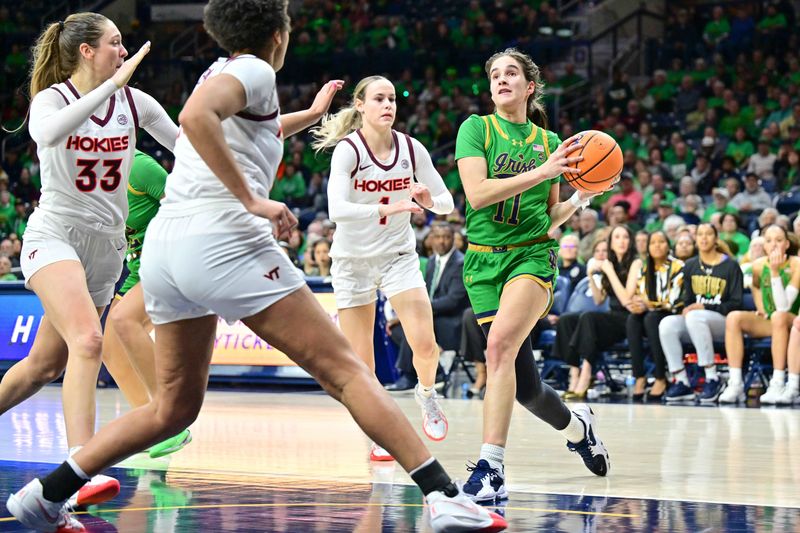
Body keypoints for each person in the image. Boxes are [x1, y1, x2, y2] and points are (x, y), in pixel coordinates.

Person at [7, 2, 507, 533]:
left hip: (166, 250)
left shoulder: (219, 72)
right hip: (219, 239)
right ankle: (445, 496)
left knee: (173, 410)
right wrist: (252, 199)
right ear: (278, 32)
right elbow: (196, 120)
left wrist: (312, 118)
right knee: (347, 370)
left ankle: (48, 492)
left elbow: (223, 133)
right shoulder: (255, 68)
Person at [0, 12, 177, 512]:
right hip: (55, 235)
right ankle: (77, 467)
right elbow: (49, 135)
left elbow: (190, 146)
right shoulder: (51, 99)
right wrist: (111, 86)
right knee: (90, 340)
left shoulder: (135, 102)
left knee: (41, 366)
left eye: (123, 45)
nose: (124, 52)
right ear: (86, 51)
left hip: (106, 248)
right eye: (115, 44)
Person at [455, 47, 610, 504]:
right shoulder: (475, 129)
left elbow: (549, 215)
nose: (501, 80)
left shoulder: (551, 143)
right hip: (483, 264)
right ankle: (581, 428)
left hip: (531, 258)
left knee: (498, 345)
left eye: (511, 74)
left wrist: (581, 196)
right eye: (495, 75)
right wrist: (543, 172)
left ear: (530, 87)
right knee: (527, 390)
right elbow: (478, 194)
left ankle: (491, 469)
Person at [311, 75, 455, 461]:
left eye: (392, 98)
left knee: (426, 345)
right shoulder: (349, 151)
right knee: (363, 365)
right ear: (360, 105)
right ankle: (379, 434)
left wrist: (427, 199)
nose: (388, 104)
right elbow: (335, 211)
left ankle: (426, 394)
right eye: (379, 98)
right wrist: (386, 208)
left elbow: (447, 204)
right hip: (352, 262)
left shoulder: (411, 148)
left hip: (397, 257)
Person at [99, 150, 192, 460]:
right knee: (109, 347)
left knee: (124, 321)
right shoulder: (92, 172)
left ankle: (171, 418)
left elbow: (185, 208)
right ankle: (150, 423)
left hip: (169, 260)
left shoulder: (139, 167)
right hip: (136, 269)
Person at [661, 223, 742, 403]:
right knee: (667, 324)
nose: (704, 238)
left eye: (708, 234)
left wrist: (704, 308)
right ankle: (681, 381)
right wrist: (687, 308)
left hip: (724, 323)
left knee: (695, 316)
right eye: (700, 235)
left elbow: (736, 304)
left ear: (716, 239)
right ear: (696, 240)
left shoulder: (731, 266)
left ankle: (712, 377)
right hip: (695, 321)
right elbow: (688, 299)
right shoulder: (690, 265)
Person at [554, 226, 638, 399]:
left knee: (589, 317)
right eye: (617, 237)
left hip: (628, 318)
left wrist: (609, 272)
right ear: (611, 243)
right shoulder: (611, 264)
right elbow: (599, 299)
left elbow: (626, 300)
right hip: (610, 316)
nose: (621, 241)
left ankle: (586, 373)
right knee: (567, 320)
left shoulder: (635, 263)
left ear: (630, 242)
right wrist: (592, 276)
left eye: (625, 237)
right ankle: (574, 372)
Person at [720, 224, 800, 404]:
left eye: (779, 241)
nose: (774, 245)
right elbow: (756, 286)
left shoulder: (797, 265)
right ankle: (736, 384)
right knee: (734, 318)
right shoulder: (756, 266)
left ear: (787, 244)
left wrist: (774, 272)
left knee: (779, 316)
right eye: (769, 241)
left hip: (792, 319)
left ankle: (778, 382)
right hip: (771, 321)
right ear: (764, 245)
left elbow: (783, 306)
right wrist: (761, 307)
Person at [387, 222, 468, 392]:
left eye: (446, 237)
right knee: (396, 331)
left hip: (452, 321)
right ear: (431, 240)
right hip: (434, 315)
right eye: (437, 237)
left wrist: (418, 311)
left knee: (416, 327)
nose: (442, 241)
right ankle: (435, 371)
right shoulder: (431, 262)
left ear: (453, 239)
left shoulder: (461, 262)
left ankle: (408, 376)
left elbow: (453, 300)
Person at [626, 230, 684, 401]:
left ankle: (660, 377)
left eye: (661, 242)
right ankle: (639, 376)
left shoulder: (678, 266)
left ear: (668, 245)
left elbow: (673, 301)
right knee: (632, 320)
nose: (657, 246)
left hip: (671, 314)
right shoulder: (644, 269)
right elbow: (639, 294)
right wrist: (637, 304)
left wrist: (648, 305)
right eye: (653, 243)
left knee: (651, 319)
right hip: (649, 314)